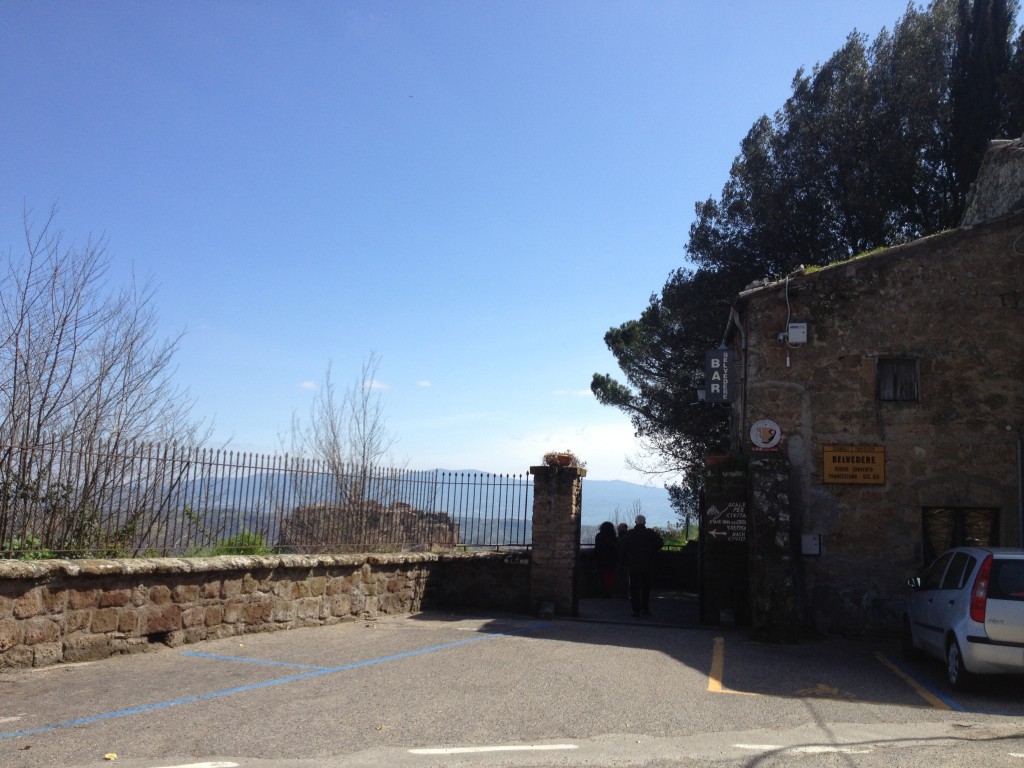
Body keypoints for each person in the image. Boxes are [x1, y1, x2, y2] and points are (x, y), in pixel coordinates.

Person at [618, 515, 663, 617]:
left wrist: (623, 562)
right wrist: (652, 551)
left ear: (635, 522)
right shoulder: (649, 533)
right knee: (645, 588)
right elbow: (660, 543)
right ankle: (645, 609)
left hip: (633, 566)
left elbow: (623, 549)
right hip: (647, 565)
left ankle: (636, 610)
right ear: (645, 523)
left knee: (634, 589)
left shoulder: (630, 534)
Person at [593, 521, 618, 598]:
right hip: (612, 560)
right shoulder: (614, 537)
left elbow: (597, 549)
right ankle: (610, 591)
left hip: (602, 559)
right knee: (611, 576)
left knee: (603, 576)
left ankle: (605, 592)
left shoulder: (599, 536)